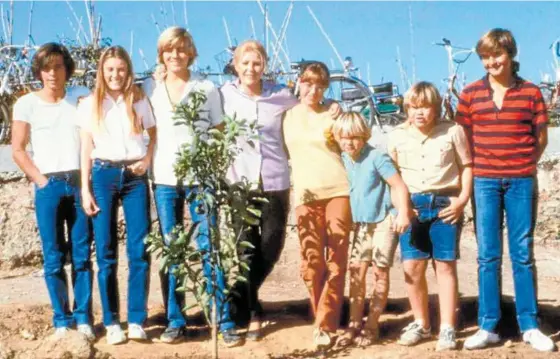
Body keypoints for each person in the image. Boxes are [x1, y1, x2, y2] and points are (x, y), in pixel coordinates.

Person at [220, 40, 340, 341]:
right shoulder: (223, 95)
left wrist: (331, 106)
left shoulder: (280, 95)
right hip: (239, 181)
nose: (251, 68)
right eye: (245, 63)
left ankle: (234, 299)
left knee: (271, 247)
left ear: (265, 66)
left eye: (257, 63)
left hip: (275, 181)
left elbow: (308, 107)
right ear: (236, 65)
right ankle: (253, 312)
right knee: (245, 250)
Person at [455, 28, 555, 352]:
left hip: (521, 181)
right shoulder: (470, 94)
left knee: (522, 253)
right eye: (485, 56)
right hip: (483, 182)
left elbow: (540, 138)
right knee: (487, 255)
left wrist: (523, 164)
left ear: (510, 54)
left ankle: (529, 325)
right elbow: (462, 138)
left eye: (497, 55)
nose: (491, 62)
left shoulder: (531, 93)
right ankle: (488, 325)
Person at [143, 26, 241, 346]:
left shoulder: (206, 88)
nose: (175, 55)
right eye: (169, 50)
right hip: (165, 180)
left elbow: (220, 131)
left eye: (181, 49)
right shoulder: (150, 89)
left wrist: (217, 170)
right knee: (174, 252)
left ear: (191, 52)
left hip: (202, 180)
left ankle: (221, 320)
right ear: (161, 54)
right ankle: (176, 319)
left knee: (209, 248)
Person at [11, 43, 94, 340]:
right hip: (48, 186)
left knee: (82, 256)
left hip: (79, 181)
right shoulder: (26, 104)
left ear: (66, 69)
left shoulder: (80, 98)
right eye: (46, 67)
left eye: (58, 66)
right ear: (39, 71)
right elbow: (18, 150)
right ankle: (62, 320)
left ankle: (84, 319)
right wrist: (41, 180)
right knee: (53, 257)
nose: (52, 73)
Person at [79, 46, 156, 345]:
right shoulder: (90, 104)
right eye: (110, 69)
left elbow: (154, 133)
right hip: (103, 175)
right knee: (107, 251)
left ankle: (137, 319)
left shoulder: (138, 99)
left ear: (128, 71)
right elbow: (86, 148)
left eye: (120, 69)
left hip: (135, 178)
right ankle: (112, 321)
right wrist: (85, 189)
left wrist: (146, 160)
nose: (115, 74)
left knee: (139, 250)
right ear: (102, 71)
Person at [387, 81, 472, 351]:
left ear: (436, 108)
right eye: (414, 107)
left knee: (444, 265)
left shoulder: (453, 131)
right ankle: (421, 323)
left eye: (425, 107)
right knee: (412, 267)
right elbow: (392, 177)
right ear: (406, 108)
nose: (419, 113)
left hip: (445, 204)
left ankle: (447, 327)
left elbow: (467, 166)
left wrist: (461, 200)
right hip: (411, 204)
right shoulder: (396, 135)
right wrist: (401, 208)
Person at [283, 62, 351, 349]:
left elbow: (355, 138)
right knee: (312, 264)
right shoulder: (286, 115)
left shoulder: (333, 114)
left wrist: (341, 109)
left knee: (336, 262)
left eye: (320, 86)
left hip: (338, 191)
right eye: (308, 83)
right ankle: (321, 316)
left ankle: (324, 325)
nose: (313, 90)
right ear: (299, 82)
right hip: (306, 197)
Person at [331, 112, 413, 347]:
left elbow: (398, 186)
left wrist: (404, 213)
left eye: (355, 137)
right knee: (356, 271)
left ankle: (372, 324)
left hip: (383, 220)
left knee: (379, 271)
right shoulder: (343, 159)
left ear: (364, 135)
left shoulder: (377, 157)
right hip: (360, 224)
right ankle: (354, 323)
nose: (349, 142)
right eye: (344, 137)